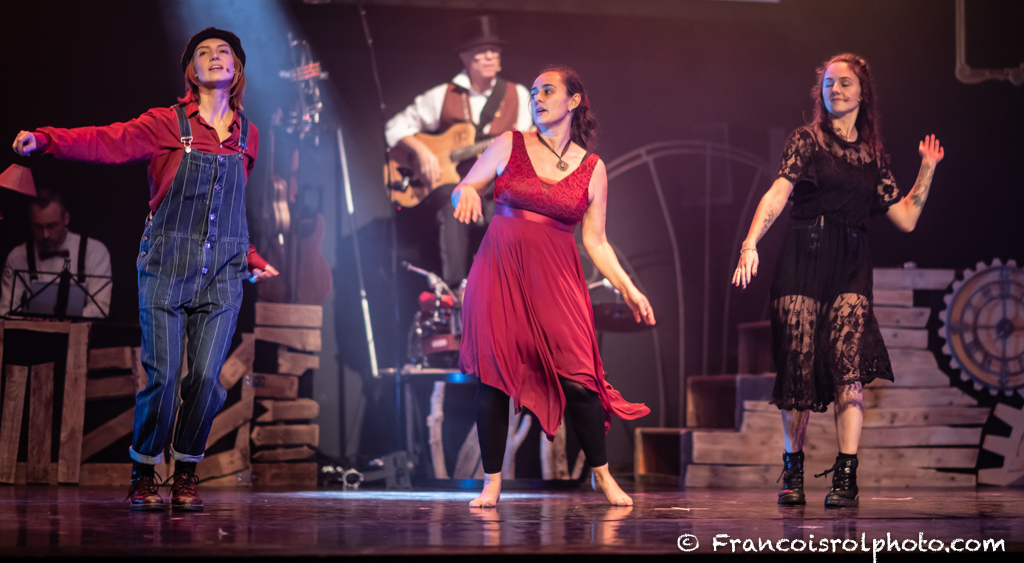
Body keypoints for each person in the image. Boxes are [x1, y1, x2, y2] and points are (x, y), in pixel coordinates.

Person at [11, 27, 279, 512]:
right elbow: (105, 140)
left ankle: (186, 472)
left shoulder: (249, 135)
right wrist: (47, 140)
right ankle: (143, 469)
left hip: (223, 270)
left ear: (237, 69)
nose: (216, 57)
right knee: (163, 373)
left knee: (204, 377)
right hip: (166, 265)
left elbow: (231, 209)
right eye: (205, 53)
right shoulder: (166, 123)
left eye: (225, 53)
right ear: (192, 72)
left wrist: (252, 256)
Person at [731, 53, 944, 508]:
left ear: (862, 92)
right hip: (803, 258)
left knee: (849, 368)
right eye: (829, 84)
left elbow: (905, 218)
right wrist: (750, 242)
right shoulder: (806, 141)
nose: (837, 90)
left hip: (850, 261)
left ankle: (846, 477)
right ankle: (793, 468)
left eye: (845, 83)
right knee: (798, 370)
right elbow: (778, 192)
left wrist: (927, 168)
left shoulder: (872, 158)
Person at [453, 66, 656, 507]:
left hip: (557, 280)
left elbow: (596, 241)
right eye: (533, 92)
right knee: (494, 380)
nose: (538, 98)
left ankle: (602, 476)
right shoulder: (510, 143)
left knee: (581, 379)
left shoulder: (592, 168)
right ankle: (492, 483)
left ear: (574, 101)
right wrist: (466, 192)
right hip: (499, 270)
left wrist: (628, 287)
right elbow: (465, 186)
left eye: (548, 90)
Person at [386, 15, 534, 287]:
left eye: (494, 50)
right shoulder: (443, 95)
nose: (490, 57)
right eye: (481, 51)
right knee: (452, 198)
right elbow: (394, 127)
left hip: (496, 186)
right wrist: (421, 150)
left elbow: (523, 149)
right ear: (465, 57)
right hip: (450, 187)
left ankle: (509, 287)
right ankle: (456, 287)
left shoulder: (519, 95)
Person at [1, 188, 112, 318]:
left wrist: (60, 318)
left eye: (52, 226)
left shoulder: (94, 251)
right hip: (30, 336)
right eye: (38, 227)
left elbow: (100, 309)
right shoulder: (18, 257)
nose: (45, 234)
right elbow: (5, 311)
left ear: (66, 218)